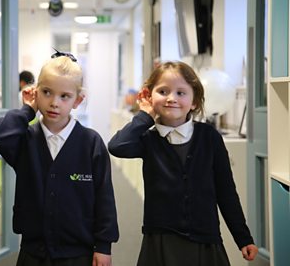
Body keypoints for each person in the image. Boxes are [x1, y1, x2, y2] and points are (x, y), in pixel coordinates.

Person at [108, 61, 258, 266]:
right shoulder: (147, 139)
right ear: (150, 97)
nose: (171, 98)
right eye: (162, 91)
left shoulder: (210, 138)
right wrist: (145, 115)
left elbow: (226, 192)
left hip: (205, 239)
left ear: (194, 101)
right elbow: (117, 146)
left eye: (181, 92)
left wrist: (242, 237)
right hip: (160, 239)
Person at [0, 50, 119, 266]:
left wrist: (104, 245)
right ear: (35, 92)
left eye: (64, 96)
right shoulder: (25, 139)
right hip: (33, 251)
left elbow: (104, 198)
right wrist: (27, 111)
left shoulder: (91, 143)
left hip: (77, 253)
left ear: (78, 100)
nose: (54, 102)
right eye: (46, 92)